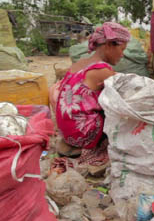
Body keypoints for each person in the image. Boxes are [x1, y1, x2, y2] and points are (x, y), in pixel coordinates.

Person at [54, 22, 131, 157]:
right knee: (123, 112)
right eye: (122, 49)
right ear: (108, 45)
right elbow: (130, 86)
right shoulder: (100, 70)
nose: (122, 55)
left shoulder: (80, 63)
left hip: (67, 132)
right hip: (82, 135)